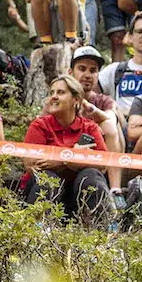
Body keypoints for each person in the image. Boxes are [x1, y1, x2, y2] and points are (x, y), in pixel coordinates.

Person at [19, 75, 113, 225]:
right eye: (52, 93)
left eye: (60, 92)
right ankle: (36, 233)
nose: (53, 97)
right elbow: (31, 165)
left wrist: (62, 160)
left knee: (90, 176)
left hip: (77, 194)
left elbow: (101, 164)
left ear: (76, 100)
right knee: (48, 178)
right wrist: (75, 156)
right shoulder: (39, 125)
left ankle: (100, 229)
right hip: (42, 191)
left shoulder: (89, 127)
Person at [66, 45, 125, 194]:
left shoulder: (104, 100)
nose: (87, 75)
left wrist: (91, 110)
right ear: (70, 72)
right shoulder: (61, 99)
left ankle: (115, 190)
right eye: (82, 68)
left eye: (93, 70)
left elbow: (111, 118)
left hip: (99, 160)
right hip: (67, 159)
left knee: (109, 126)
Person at [99, 10, 142, 119]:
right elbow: (90, 95)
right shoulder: (115, 70)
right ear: (130, 36)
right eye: (140, 32)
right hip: (121, 128)